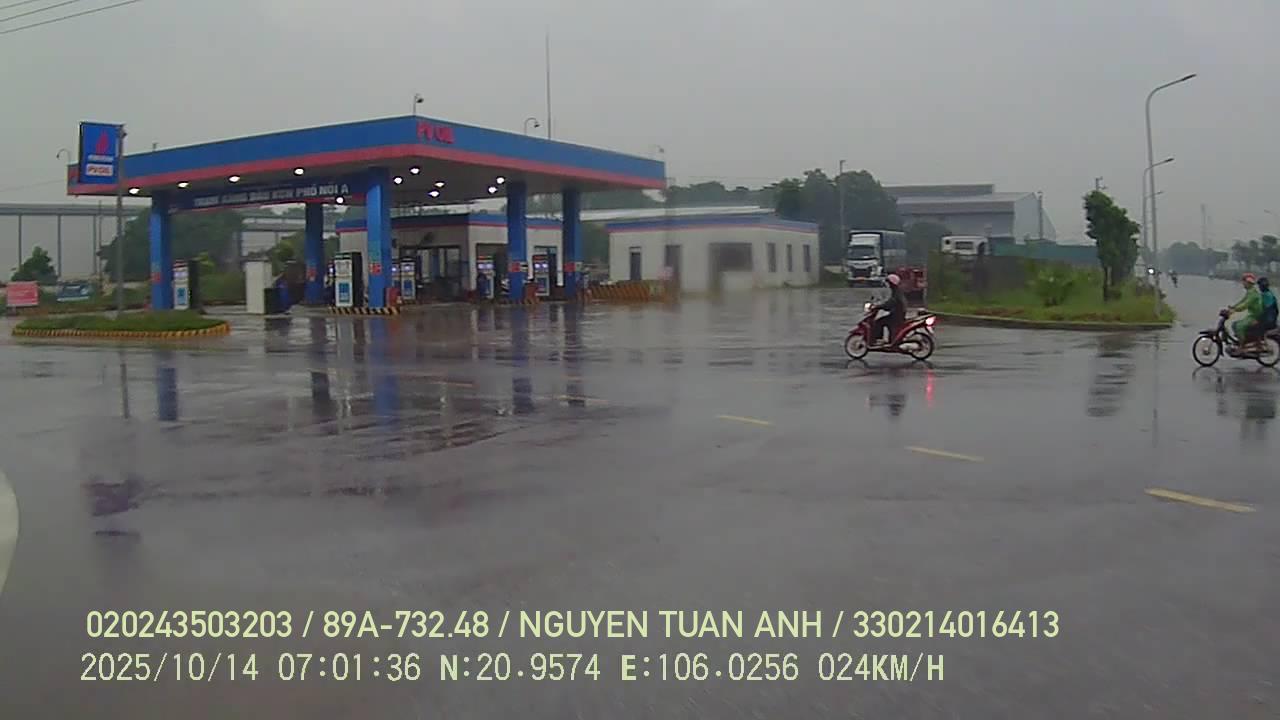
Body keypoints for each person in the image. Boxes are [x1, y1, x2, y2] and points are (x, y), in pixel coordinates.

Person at [1227, 273, 1263, 350]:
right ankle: (1243, 340)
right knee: (1234, 324)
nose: (1243, 284)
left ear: (1249, 283)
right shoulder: (1250, 292)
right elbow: (1242, 301)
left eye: (1244, 282)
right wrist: (1233, 307)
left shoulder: (1253, 294)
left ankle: (1241, 347)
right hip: (1252, 315)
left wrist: (1235, 310)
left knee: (1239, 326)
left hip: (1256, 316)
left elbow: (1245, 304)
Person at [870, 273, 907, 346]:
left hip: (896, 316)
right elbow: (890, 302)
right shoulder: (896, 291)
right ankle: (889, 340)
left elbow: (890, 303)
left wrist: (879, 306)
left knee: (879, 322)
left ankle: (878, 339)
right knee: (885, 321)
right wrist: (881, 305)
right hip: (897, 314)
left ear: (892, 283)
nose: (888, 284)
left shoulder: (896, 292)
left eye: (888, 282)